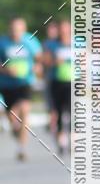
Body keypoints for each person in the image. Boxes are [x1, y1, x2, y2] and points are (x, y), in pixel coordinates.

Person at [0, 17, 42, 161]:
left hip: (25, 82)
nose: (15, 32)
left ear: (24, 29)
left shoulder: (30, 41)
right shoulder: (3, 42)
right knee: (11, 117)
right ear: (9, 29)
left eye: (19, 29)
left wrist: (37, 67)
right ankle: (17, 134)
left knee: (24, 109)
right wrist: (6, 70)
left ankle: (22, 148)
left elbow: (39, 58)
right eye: (13, 29)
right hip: (7, 84)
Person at [45, 19, 72, 155]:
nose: (64, 31)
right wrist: (55, 61)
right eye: (62, 29)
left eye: (66, 28)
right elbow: (46, 61)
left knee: (74, 113)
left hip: (73, 82)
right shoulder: (51, 44)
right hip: (56, 82)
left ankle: (73, 140)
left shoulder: (78, 43)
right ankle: (62, 141)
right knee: (59, 112)